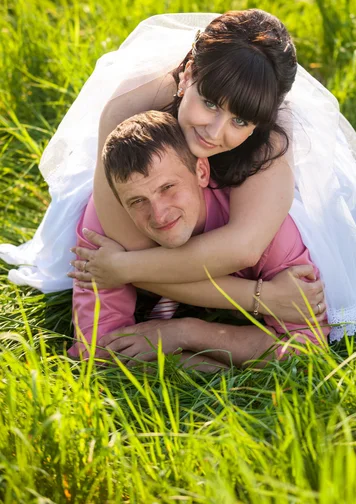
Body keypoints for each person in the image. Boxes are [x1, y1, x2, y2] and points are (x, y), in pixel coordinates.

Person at [1, 11, 356, 342]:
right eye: (210, 104)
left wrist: (129, 276)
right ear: (187, 77)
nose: (216, 133)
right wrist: (266, 300)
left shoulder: (268, 146)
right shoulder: (128, 109)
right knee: (116, 226)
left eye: (240, 119)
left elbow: (240, 250)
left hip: (242, 220)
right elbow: (129, 246)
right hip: (149, 207)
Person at [68, 111, 329, 368]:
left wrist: (184, 333)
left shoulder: (263, 228)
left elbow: (305, 348)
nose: (159, 214)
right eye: (138, 201)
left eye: (168, 188)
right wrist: (205, 366)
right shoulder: (106, 229)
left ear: (201, 172)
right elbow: (99, 351)